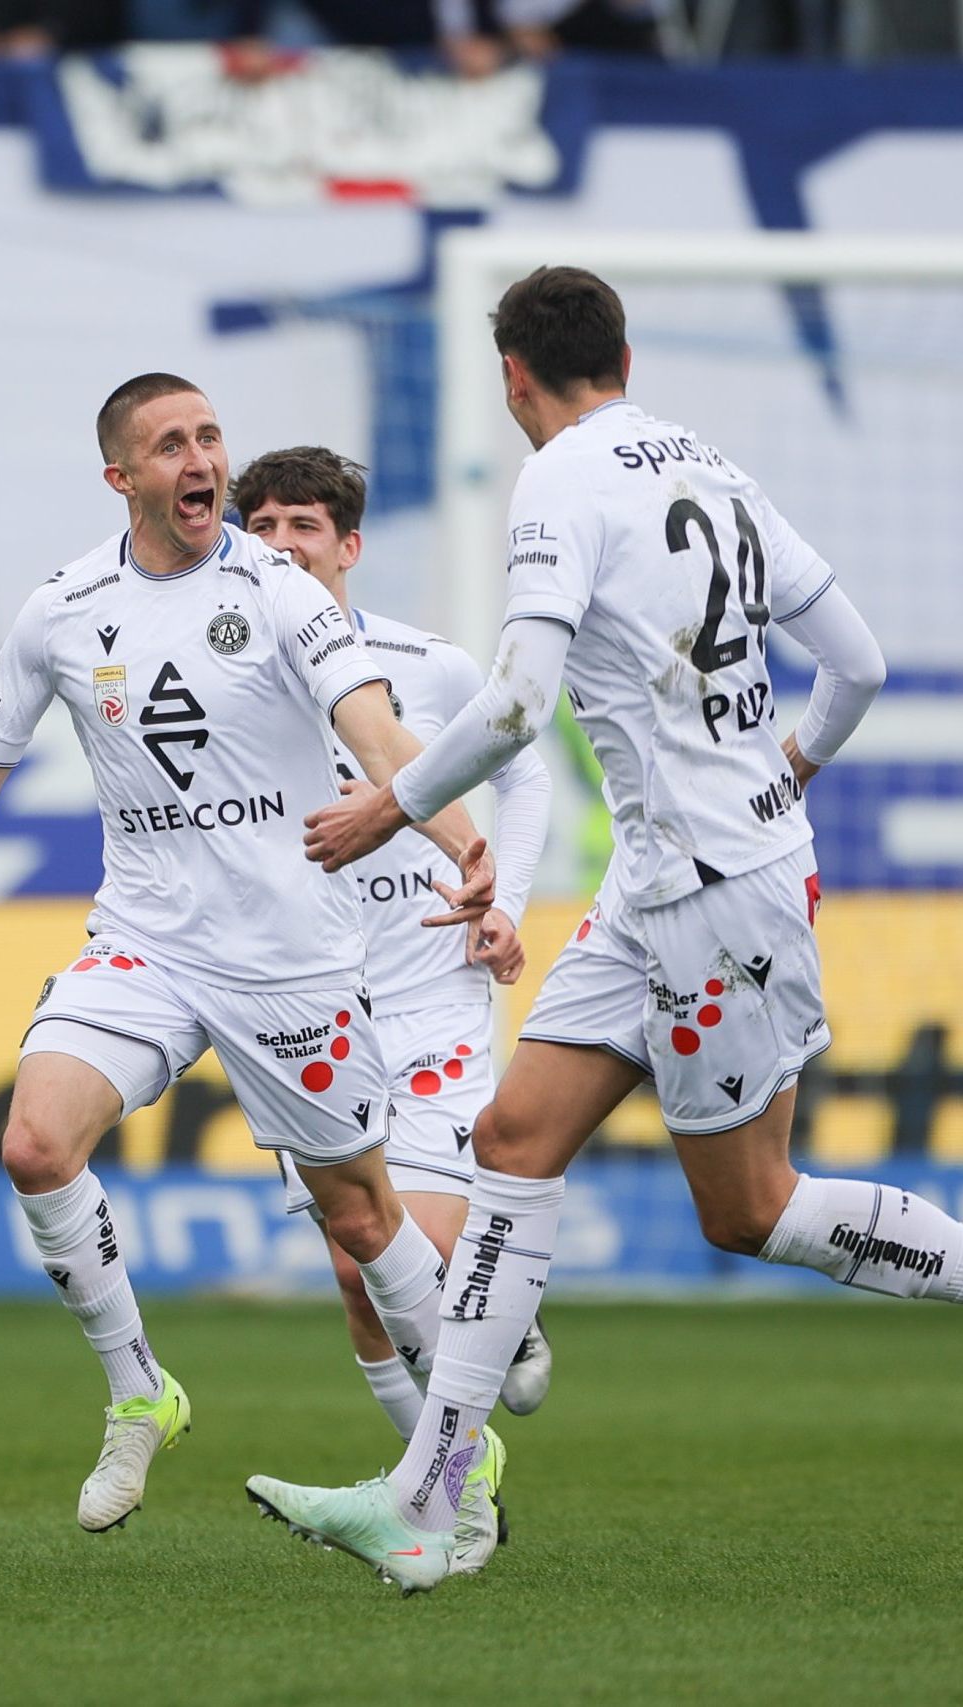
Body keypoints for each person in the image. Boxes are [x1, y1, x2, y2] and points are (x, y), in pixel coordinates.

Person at [246, 267, 963, 1592]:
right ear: (621, 351)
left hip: (711, 892)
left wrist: (388, 802)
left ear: (512, 377)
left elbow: (514, 707)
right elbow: (855, 661)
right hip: (668, 874)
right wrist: (780, 766)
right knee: (513, 1140)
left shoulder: (559, 479)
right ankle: (430, 1494)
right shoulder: (712, 465)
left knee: (748, 1207)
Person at [0, 373, 503, 1539]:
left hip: (287, 957)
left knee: (362, 1222)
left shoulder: (279, 590)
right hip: (144, 940)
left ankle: (458, 1453)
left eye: (211, 437)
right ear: (121, 477)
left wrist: (464, 841)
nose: (203, 460)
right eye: (172, 444)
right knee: (34, 1142)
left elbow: (377, 728)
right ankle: (142, 1391)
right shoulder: (66, 608)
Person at [232, 447, 555, 1469]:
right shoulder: (222, 677)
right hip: (309, 1003)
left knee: (426, 1243)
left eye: (303, 526)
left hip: (432, 992)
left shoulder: (429, 666)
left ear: (348, 546)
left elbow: (529, 776)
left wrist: (503, 894)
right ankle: (451, 1484)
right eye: (265, 527)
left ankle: (497, 1313)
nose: (282, 545)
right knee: (353, 1267)